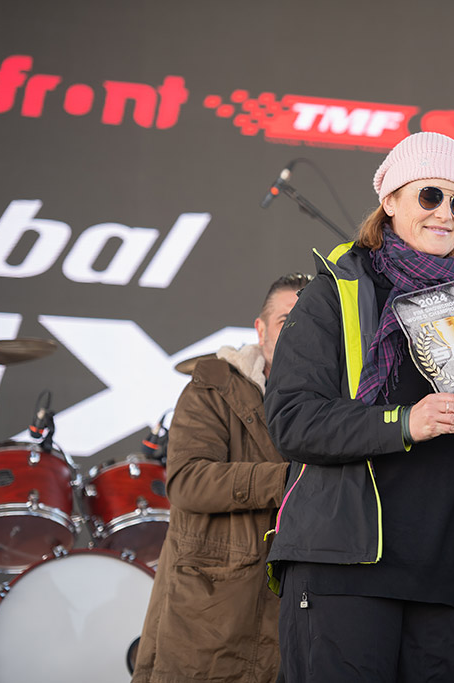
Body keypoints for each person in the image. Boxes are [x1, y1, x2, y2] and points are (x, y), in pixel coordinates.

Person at [263, 132, 454, 682]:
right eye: (429, 195)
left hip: (452, 577)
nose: (446, 213)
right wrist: (407, 420)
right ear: (389, 202)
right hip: (346, 569)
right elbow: (293, 420)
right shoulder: (333, 293)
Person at [132, 272, 311, 683]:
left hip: (292, 623)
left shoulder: (337, 400)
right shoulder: (211, 388)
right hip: (208, 621)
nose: (300, 332)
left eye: (310, 322)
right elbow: (188, 482)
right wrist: (293, 480)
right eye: (287, 321)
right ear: (260, 330)